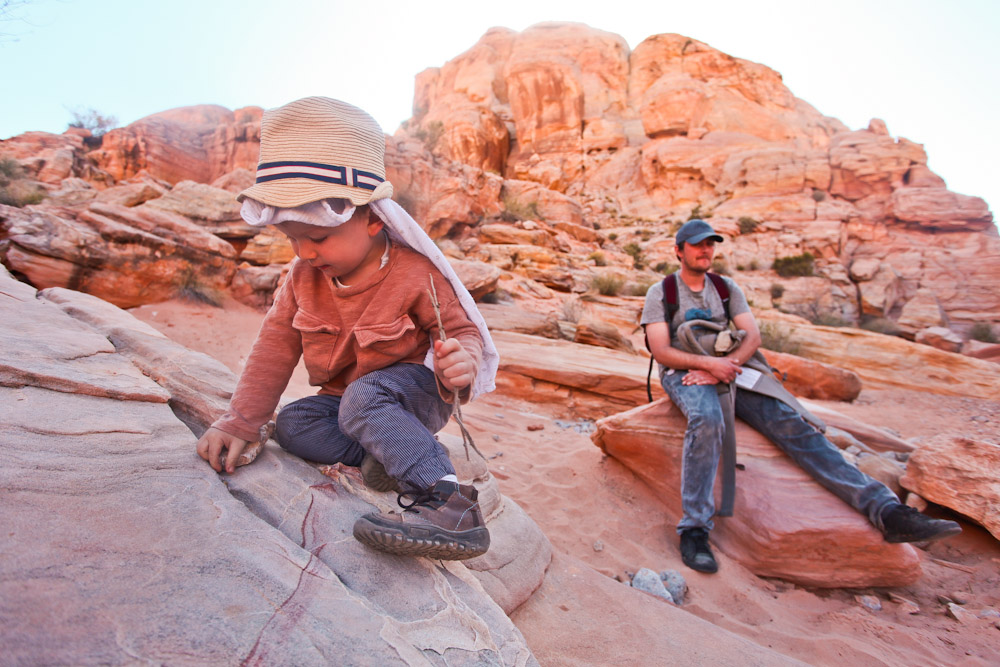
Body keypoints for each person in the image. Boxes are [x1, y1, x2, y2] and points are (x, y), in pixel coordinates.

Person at [195, 97, 499, 561]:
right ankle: (389, 458)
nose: (304, 252)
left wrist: (465, 359)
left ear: (373, 221)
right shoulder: (302, 278)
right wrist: (242, 421)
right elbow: (274, 347)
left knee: (364, 398)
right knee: (294, 425)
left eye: (317, 237)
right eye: (292, 238)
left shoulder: (415, 272)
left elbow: (462, 331)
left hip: (410, 396)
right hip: (349, 404)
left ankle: (450, 504)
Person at [641, 219, 961, 574]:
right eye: (698, 244)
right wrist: (706, 365)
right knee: (708, 420)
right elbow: (661, 349)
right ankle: (695, 529)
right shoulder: (663, 292)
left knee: (791, 424)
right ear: (679, 250)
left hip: (729, 367)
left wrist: (726, 366)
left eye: (710, 244)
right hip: (684, 374)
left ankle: (886, 511)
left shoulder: (725, 287)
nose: (706, 251)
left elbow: (752, 336)